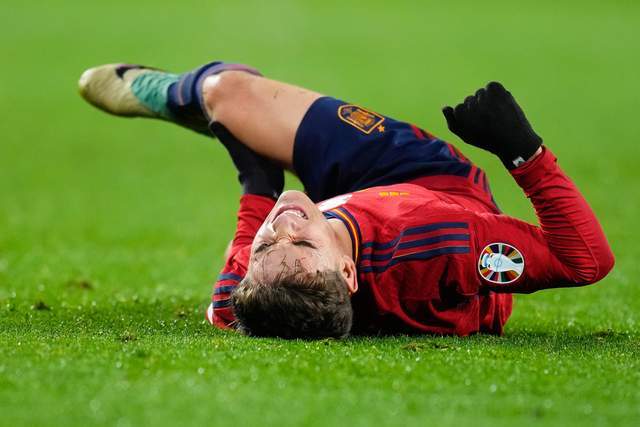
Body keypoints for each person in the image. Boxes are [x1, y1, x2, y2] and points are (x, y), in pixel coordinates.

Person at [78, 60, 615, 339]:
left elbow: (231, 288)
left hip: (343, 208)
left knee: (227, 96)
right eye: (301, 242)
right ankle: (216, 105)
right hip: (428, 182)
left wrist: (257, 184)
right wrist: (523, 151)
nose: (282, 227)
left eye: (265, 247)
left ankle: (187, 98)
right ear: (349, 272)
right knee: (231, 95)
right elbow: (586, 261)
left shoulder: (258, 289)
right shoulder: (442, 244)